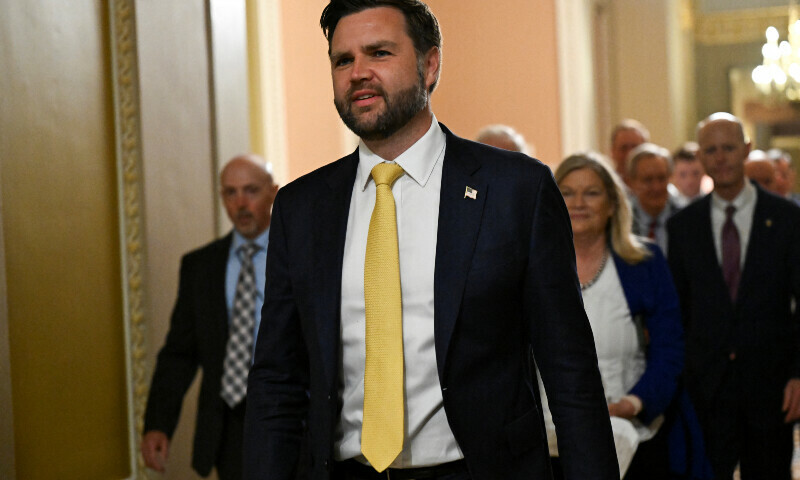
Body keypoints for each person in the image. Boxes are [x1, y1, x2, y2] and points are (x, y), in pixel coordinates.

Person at [243, 1, 618, 479]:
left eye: (379, 53)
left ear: (430, 64)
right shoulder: (302, 207)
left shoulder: (514, 190)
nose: (358, 73)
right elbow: (278, 378)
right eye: (343, 60)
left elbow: (570, 372)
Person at [667, 112, 800, 479]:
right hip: (705, 387)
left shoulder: (787, 219)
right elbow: (678, 309)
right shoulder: (682, 227)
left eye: (728, 147)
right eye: (711, 150)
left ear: (746, 150)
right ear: (701, 157)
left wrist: (798, 374)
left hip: (771, 385)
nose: (721, 157)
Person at [141, 154, 279, 480]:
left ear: (273, 192)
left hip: (291, 420)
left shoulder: (299, 253)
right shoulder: (200, 266)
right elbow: (179, 354)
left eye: (251, 191)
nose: (241, 203)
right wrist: (158, 424)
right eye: (230, 193)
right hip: (226, 427)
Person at [548, 152, 684, 479]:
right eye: (567, 192)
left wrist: (635, 403)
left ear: (612, 204)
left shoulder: (645, 262)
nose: (578, 202)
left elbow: (670, 349)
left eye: (592, 193)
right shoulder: (530, 266)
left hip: (629, 430)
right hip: (548, 437)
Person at [627, 143, 680, 255]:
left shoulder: (685, 220)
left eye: (661, 178)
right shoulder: (621, 223)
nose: (656, 187)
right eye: (648, 180)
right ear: (632, 182)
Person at [610, 119, 649, 184]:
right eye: (624, 148)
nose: (630, 154)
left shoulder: (658, 187)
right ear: (613, 152)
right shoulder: (605, 187)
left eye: (635, 148)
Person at [668, 142, 707, 208]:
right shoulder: (667, 206)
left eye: (695, 173)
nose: (690, 180)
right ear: (673, 175)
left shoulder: (712, 204)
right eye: (683, 175)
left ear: (704, 172)